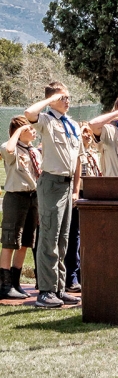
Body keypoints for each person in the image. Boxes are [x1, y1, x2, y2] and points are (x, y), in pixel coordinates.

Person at [24, 81, 82, 309]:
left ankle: (59, 287)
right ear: (52, 99)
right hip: (51, 183)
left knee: (63, 239)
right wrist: (50, 100)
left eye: (68, 97)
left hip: (68, 185)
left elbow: (78, 159)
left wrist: (76, 188)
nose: (67, 101)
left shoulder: (73, 125)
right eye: (63, 98)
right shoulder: (47, 120)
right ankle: (45, 291)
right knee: (49, 236)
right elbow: (29, 113)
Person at [0, 116, 41, 300]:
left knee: (26, 242)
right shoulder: (9, 147)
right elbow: (8, 149)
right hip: (16, 197)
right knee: (10, 240)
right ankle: (5, 284)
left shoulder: (34, 151)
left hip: (33, 197)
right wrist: (17, 131)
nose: (33, 131)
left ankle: (16, 283)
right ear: (20, 131)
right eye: (29, 128)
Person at [64, 122, 102, 292]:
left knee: (91, 237)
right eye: (83, 132)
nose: (87, 135)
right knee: (74, 237)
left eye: (88, 132)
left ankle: (86, 275)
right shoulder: (73, 153)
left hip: (94, 195)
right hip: (77, 195)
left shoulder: (95, 153)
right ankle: (71, 276)